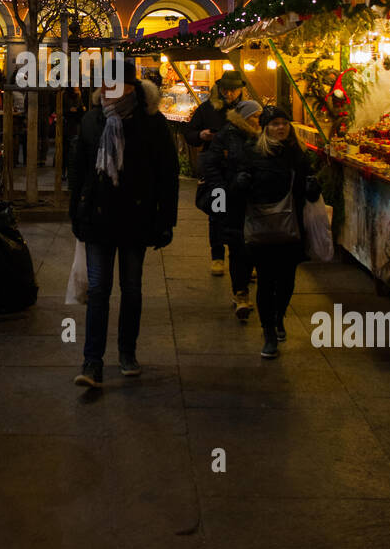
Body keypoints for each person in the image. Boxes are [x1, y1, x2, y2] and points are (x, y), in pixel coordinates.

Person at [69, 59, 179, 387]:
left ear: (133, 88)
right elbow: (78, 170)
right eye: (107, 84)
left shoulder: (152, 122)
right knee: (99, 290)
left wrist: (165, 220)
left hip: (136, 216)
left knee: (131, 289)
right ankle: (92, 363)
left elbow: (167, 174)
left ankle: (127, 353)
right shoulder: (92, 120)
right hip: (98, 219)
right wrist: (77, 211)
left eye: (119, 84)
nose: (112, 89)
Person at [235, 106, 320, 359]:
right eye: (274, 124)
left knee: (287, 281)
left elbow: (310, 188)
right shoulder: (252, 154)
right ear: (265, 128)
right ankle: (269, 331)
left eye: (284, 123)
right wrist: (240, 183)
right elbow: (237, 189)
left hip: (291, 227)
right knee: (266, 280)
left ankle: (279, 316)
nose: (280, 127)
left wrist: (312, 188)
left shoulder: (297, 155)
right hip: (262, 227)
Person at [198, 95, 262, 323]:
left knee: (251, 245)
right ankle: (240, 292)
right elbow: (211, 164)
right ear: (244, 117)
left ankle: (244, 281)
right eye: (255, 116)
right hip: (229, 196)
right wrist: (222, 191)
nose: (258, 120)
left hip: (253, 201)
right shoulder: (227, 136)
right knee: (231, 239)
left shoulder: (261, 137)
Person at [186, 72, 250, 276]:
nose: (229, 93)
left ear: (241, 89)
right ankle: (217, 256)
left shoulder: (248, 110)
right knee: (217, 214)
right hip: (216, 174)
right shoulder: (208, 109)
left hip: (241, 172)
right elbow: (190, 133)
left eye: (233, 89)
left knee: (243, 216)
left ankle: (243, 258)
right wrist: (200, 135)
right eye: (226, 89)